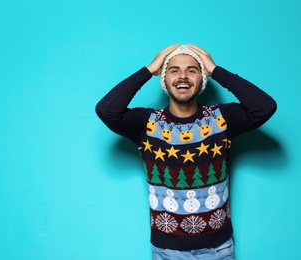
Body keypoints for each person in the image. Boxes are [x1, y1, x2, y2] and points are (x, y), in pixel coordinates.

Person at [95, 44, 277, 259]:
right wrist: (149, 70)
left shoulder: (221, 118)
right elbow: (106, 110)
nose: (183, 76)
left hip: (219, 248)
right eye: (174, 70)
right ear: (164, 79)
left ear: (202, 79)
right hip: (167, 250)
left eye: (192, 70)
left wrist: (215, 69)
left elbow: (265, 107)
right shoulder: (147, 123)